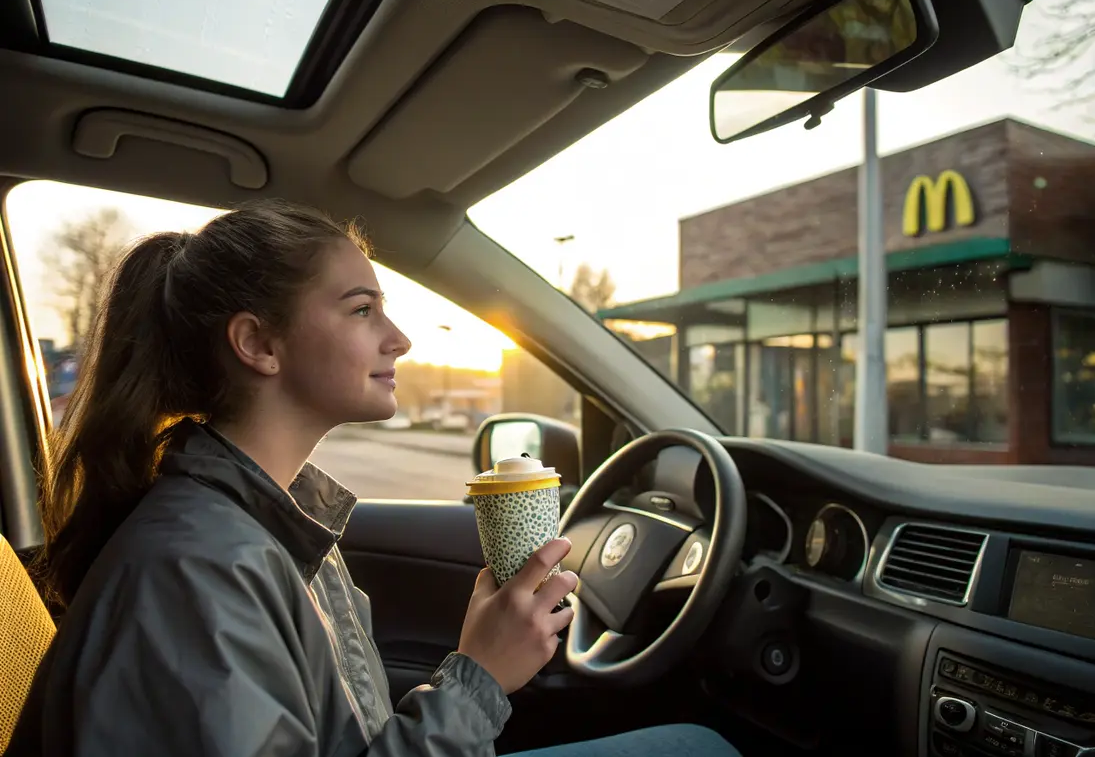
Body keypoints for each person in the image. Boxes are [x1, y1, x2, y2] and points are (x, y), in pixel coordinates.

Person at [9, 199, 741, 757]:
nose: (401, 338)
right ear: (258, 343)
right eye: (362, 310)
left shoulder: (272, 520)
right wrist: (477, 677)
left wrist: (473, 672)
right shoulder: (196, 571)